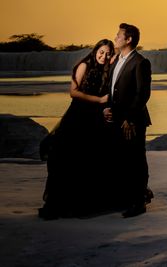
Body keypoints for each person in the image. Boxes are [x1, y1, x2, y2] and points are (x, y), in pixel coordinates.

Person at [38, 39, 116, 219]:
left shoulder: (106, 69)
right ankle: (59, 205)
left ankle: (81, 204)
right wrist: (98, 101)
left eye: (108, 53)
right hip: (78, 115)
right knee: (67, 157)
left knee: (86, 160)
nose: (104, 56)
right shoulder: (84, 65)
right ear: (95, 50)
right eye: (101, 52)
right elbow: (73, 92)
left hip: (94, 117)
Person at [104, 22, 152, 217]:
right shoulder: (116, 60)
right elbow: (112, 88)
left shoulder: (141, 62)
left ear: (128, 39)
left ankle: (139, 203)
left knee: (136, 160)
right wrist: (106, 108)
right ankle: (128, 197)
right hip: (115, 118)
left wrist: (130, 119)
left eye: (118, 35)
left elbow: (143, 94)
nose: (115, 38)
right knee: (121, 160)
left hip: (133, 120)